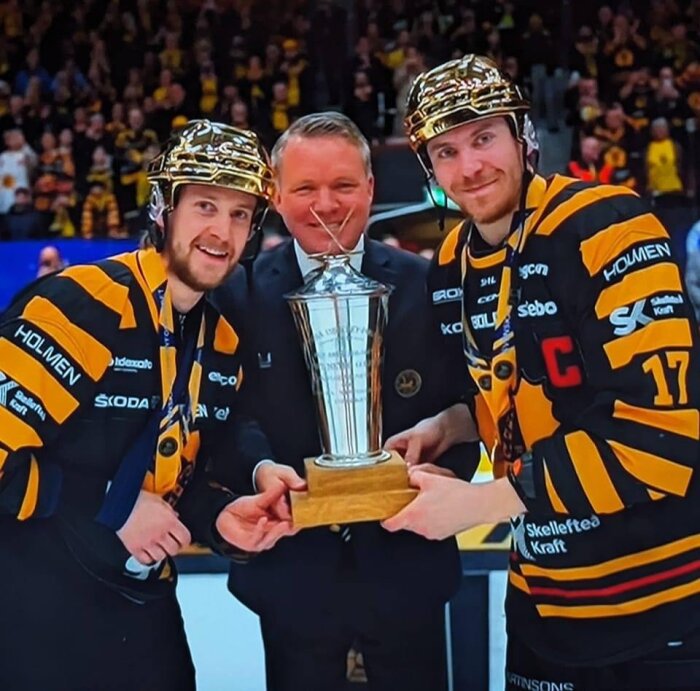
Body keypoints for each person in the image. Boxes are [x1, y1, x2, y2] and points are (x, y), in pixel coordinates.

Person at [385, 54, 700, 690]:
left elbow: (662, 440)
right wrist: (449, 425)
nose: (469, 167)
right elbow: (520, 390)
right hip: (542, 603)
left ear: (523, 136)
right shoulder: (451, 261)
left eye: (483, 138)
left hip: (662, 608)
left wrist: (479, 504)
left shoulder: (609, 224)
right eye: (445, 152)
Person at [0, 119, 295, 691]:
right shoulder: (80, 303)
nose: (222, 231)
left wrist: (218, 518)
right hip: (33, 617)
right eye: (206, 206)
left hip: (144, 618)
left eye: (240, 214)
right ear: (164, 208)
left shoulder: (222, 339)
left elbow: (183, 476)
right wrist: (112, 506)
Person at [212, 112, 479, 691]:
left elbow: (468, 403)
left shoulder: (426, 284)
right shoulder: (237, 294)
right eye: (305, 188)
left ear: (371, 189)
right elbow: (226, 415)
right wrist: (260, 471)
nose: (326, 205)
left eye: (343, 186)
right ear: (275, 195)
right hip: (292, 577)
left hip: (410, 567)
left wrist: (443, 471)